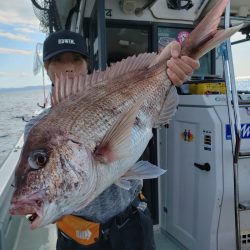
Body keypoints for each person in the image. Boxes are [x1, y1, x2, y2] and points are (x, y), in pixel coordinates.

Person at [25, 30, 200, 250]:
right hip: (78, 237)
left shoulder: (111, 88)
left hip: (132, 221)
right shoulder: (37, 130)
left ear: (86, 64)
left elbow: (158, 100)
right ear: (47, 69)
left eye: (75, 59)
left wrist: (174, 64)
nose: (68, 67)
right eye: (58, 61)